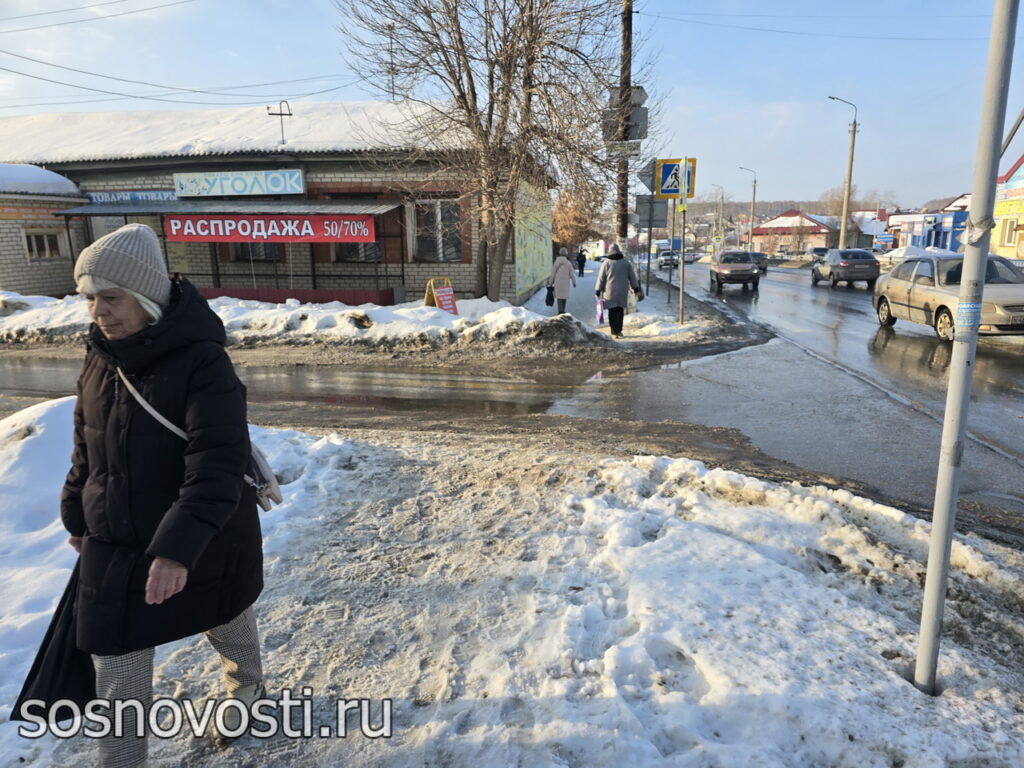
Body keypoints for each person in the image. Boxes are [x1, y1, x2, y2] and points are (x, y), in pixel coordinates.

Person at [61, 223, 265, 767]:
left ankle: (247, 690)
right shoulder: (100, 355)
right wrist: (76, 507)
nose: (97, 312)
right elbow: (87, 440)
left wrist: (177, 548)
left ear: (146, 296)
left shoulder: (203, 363)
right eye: (89, 299)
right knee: (116, 662)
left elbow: (217, 461)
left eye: (110, 297)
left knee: (225, 610)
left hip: (200, 529)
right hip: (117, 537)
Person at [595, 243, 642, 338]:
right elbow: (632, 277)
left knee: (612, 311)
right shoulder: (625, 262)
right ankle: (619, 330)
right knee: (620, 311)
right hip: (622, 290)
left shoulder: (606, 262)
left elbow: (601, 278)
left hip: (609, 291)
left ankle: (614, 331)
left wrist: (598, 290)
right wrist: (636, 288)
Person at [549, 246, 577, 315]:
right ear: (566, 254)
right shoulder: (568, 263)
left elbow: (553, 273)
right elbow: (572, 274)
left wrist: (551, 281)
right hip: (565, 283)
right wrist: (574, 282)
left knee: (559, 297)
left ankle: (560, 311)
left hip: (557, 282)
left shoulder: (556, 262)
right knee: (564, 296)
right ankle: (563, 310)